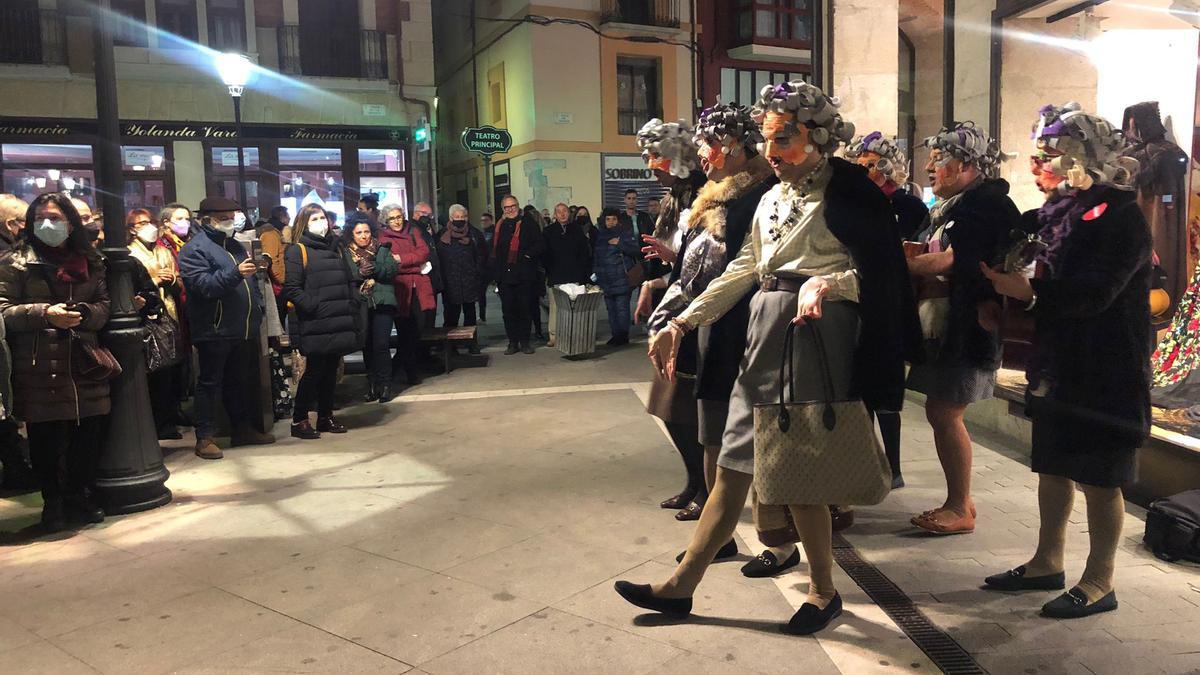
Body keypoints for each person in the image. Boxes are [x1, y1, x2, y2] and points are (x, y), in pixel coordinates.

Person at [615, 80, 918, 635]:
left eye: (785, 139)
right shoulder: (770, 198)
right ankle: (684, 585)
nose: (773, 153)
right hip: (764, 325)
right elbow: (741, 270)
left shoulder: (851, 191)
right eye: (768, 139)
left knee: (795, 463)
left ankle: (823, 591)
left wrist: (830, 283)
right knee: (734, 462)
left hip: (817, 332)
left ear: (819, 137)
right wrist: (681, 321)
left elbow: (882, 276)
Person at [981, 103, 1150, 619]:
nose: (1037, 165)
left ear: (1086, 158)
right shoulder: (1052, 213)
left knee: (1101, 477)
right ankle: (1046, 562)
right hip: (1057, 363)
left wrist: (1028, 294)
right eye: (1036, 154)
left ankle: (1100, 581)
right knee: (1052, 466)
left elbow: (1095, 294)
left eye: (1049, 154)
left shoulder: (1122, 217)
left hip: (1107, 370)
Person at [647, 102, 777, 544]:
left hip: (745, 326)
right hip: (709, 323)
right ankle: (715, 532)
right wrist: (676, 316)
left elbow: (740, 271)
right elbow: (695, 267)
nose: (702, 150)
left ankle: (770, 536)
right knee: (712, 429)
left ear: (733, 146)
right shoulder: (715, 196)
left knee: (754, 435)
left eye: (708, 143)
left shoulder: (760, 197)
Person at [906, 122, 1020, 535]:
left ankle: (960, 506)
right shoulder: (950, 206)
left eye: (940, 160)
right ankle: (960, 502)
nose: (931, 167)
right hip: (945, 323)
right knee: (941, 411)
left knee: (945, 411)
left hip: (968, 325)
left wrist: (897, 262)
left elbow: (953, 260)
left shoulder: (984, 207)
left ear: (969, 165)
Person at [0, 193, 111, 531]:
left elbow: (105, 305)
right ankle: (54, 504)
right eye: (41, 218)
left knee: (89, 432)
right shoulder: (15, 262)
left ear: (71, 223)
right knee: (46, 438)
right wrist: (44, 314)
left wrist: (86, 314)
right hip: (38, 365)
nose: (48, 225)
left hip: (85, 361)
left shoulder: (90, 260)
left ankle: (78, 496)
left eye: (56, 218)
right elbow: (3, 309)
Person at [845, 132, 930, 489]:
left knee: (887, 390)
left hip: (893, 304)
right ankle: (865, 461)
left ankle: (893, 467)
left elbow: (914, 247)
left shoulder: (909, 206)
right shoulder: (854, 203)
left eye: (872, 164)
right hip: (857, 301)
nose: (867, 171)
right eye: (860, 164)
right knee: (860, 388)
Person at [177, 196, 275, 460]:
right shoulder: (194, 249)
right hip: (215, 329)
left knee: (239, 381)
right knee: (210, 383)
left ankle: (241, 429)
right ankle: (204, 437)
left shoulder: (234, 245)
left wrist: (258, 308)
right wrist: (236, 273)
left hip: (243, 327)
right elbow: (203, 286)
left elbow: (250, 282)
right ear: (207, 220)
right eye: (225, 218)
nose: (231, 221)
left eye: (232, 216)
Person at [283, 205, 360, 439]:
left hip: (338, 319)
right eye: (315, 218)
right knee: (314, 371)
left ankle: (325, 417)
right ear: (304, 223)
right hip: (316, 321)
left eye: (323, 217)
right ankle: (300, 420)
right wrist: (313, 306)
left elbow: (348, 279)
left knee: (330, 372)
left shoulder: (336, 248)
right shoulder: (298, 251)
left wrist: (351, 304)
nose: (321, 222)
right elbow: (292, 288)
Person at [126, 208, 186, 440]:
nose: (148, 226)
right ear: (132, 228)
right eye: (141, 223)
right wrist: (154, 280)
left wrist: (172, 280)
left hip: (169, 313)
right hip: (147, 316)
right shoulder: (130, 253)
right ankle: (158, 422)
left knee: (173, 368)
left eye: (149, 221)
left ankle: (171, 414)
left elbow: (179, 282)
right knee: (154, 371)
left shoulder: (163, 251)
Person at [0, 194, 35, 491]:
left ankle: (18, 466)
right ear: (12, 224)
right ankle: (17, 469)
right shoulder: (7, 255)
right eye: (26, 221)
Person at [377, 204, 435, 385]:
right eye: (392, 218)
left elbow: (424, 252)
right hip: (400, 289)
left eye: (398, 216)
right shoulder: (383, 237)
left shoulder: (413, 231)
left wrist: (402, 259)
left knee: (418, 328)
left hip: (419, 288)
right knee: (405, 332)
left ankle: (396, 368)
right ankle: (409, 372)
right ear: (386, 221)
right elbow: (388, 263)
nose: (396, 221)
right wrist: (415, 264)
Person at [347, 217, 399, 403]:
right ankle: (372, 384)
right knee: (367, 345)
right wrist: (358, 273)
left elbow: (391, 270)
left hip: (383, 302)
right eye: (359, 232)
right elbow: (345, 275)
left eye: (366, 232)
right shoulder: (347, 253)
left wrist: (375, 268)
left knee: (381, 344)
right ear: (352, 234)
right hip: (360, 303)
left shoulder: (382, 248)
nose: (363, 236)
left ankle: (385, 385)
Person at [491, 195, 545, 354]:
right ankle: (512, 342)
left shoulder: (528, 223)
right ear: (503, 209)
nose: (510, 209)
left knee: (524, 310)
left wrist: (528, 255)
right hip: (505, 277)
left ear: (517, 205)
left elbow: (540, 244)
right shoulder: (499, 226)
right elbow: (494, 251)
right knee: (508, 311)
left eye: (512, 206)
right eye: (506, 207)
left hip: (524, 276)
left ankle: (525, 342)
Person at [542, 202, 594, 348]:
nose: (562, 214)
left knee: (573, 307)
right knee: (555, 307)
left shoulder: (577, 230)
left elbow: (584, 252)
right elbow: (544, 255)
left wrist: (582, 273)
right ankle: (554, 336)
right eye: (559, 212)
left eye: (565, 211)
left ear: (569, 213)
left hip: (574, 276)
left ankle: (573, 334)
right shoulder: (548, 231)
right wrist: (548, 270)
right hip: (555, 275)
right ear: (555, 215)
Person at [436, 204, 487, 338]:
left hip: (470, 281)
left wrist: (478, 274)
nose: (460, 219)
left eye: (463, 216)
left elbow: (482, 256)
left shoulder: (475, 234)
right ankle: (450, 346)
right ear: (451, 218)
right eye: (457, 216)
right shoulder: (441, 235)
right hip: (450, 283)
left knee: (470, 315)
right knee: (451, 316)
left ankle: (471, 343)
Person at [593, 207, 639, 346]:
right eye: (608, 219)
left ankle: (622, 336)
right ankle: (615, 335)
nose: (611, 222)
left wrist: (620, 244)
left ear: (618, 220)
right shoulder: (600, 236)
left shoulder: (624, 234)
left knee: (621, 309)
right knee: (611, 309)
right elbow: (597, 257)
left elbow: (635, 250)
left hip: (621, 278)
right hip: (605, 279)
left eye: (614, 219)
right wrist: (595, 274)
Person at [258, 205, 290, 328]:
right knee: (278, 320)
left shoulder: (275, 232)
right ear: (282, 217)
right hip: (277, 287)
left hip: (277, 285)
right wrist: (283, 279)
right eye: (287, 216)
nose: (290, 218)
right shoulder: (270, 234)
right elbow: (272, 260)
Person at [478, 212, 495, 323]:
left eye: (486, 220)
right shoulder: (481, 234)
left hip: (492, 266)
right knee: (481, 292)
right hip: (483, 267)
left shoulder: (495, 233)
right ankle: (482, 315)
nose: (483, 222)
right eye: (482, 220)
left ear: (491, 221)